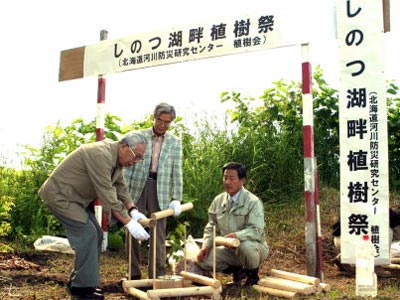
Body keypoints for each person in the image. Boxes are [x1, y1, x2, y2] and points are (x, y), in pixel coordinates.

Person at [38, 132, 150, 300]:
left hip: (77, 200)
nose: (135, 161)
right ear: (124, 146)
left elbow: (120, 186)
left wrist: (132, 208)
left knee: (96, 234)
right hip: (61, 196)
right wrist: (128, 222)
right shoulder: (100, 154)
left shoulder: (116, 160)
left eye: (140, 158)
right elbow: (107, 194)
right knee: (87, 233)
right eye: (136, 156)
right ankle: (83, 289)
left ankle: (79, 282)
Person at [124, 102, 183, 279]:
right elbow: (127, 167)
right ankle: (133, 273)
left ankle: (157, 276)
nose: (163, 125)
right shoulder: (139, 136)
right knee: (132, 227)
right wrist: (124, 193)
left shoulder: (175, 142)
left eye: (167, 122)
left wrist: (176, 197)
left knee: (158, 231)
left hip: (161, 188)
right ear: (154, 118)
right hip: (138, 186)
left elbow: (177, 171)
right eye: (160, 120)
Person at [196, 162, 269, 287]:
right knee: (203, 261)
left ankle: (252, 277)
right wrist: (206, 245)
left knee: (246, 247)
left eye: (232, 178)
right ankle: (238, 271)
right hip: (229, 249)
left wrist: (236, 236)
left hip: (254, 247)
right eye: (225, 178)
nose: (227, 182)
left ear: (242, 180)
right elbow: (211, 226)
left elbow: (255, 230)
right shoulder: (218, 200)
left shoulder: (253, 202)